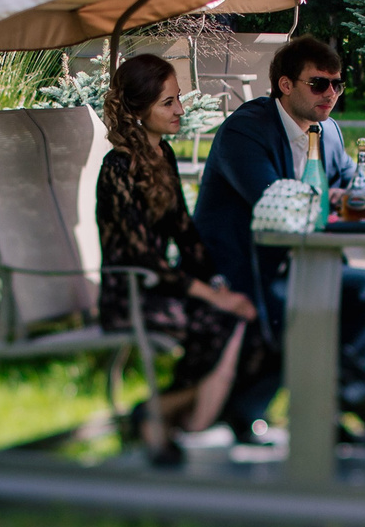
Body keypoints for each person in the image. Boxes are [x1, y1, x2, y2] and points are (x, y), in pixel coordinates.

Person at [190, 34, 365, 438]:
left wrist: (348, 199)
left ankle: (328, 402)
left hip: (301, 264)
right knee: (300, 306)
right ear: (285, 85)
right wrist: (334, 200)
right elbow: (274, 203)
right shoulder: (246, 130)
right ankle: (356, 394)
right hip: (240, 268)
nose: (331, 93)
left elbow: (360, 196)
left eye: (338, 84)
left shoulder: (330, 131)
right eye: (319, 83)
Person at [96, 55, 264, 464]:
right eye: (167, 103)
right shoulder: (117, 168)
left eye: (178, 100)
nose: (180, 111)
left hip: (163, 286)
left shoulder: (164, 156)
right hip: (131, 291)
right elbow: (141, 256)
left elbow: (184, 232)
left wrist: (217, 283)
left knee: (247, 315)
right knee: (217, 319)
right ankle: (160, 418)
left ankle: (159, 411)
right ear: (139, 110)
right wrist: (210, 296)